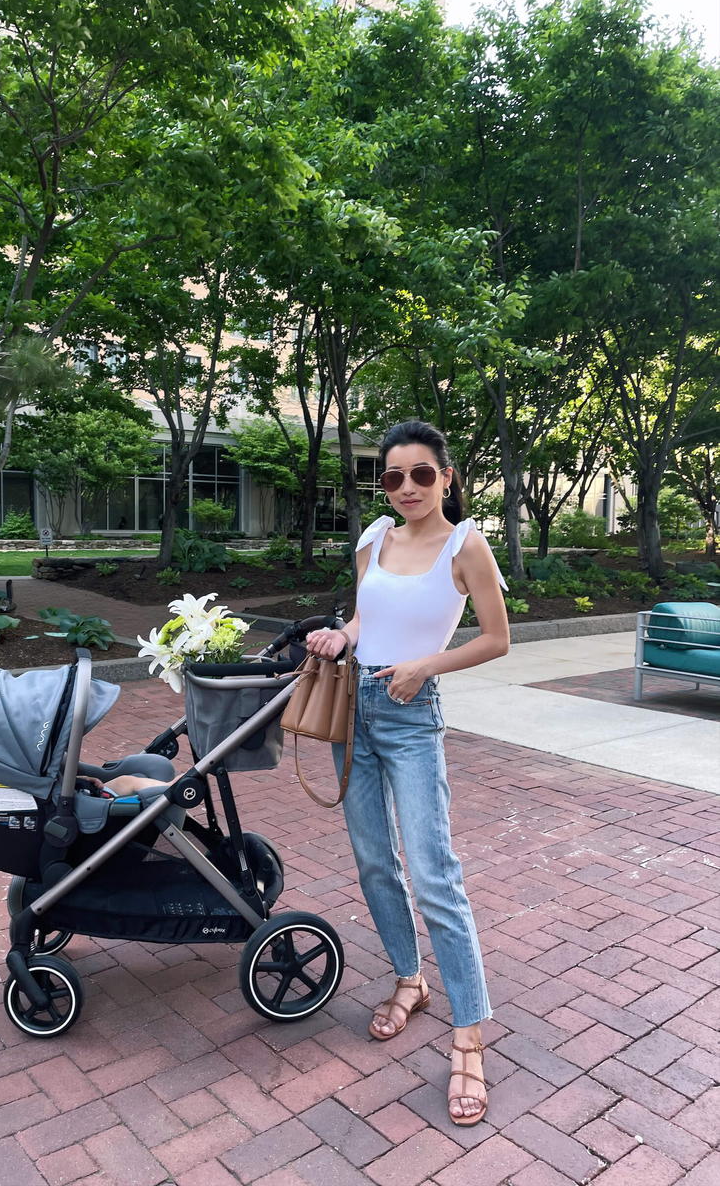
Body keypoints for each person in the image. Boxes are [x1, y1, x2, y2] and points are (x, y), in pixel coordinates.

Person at [305, 419, 509, 1127]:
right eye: (393, 477)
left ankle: (469, 1037)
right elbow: (366, 620)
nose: (408, 487)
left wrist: (424, 666)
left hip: (412, 714)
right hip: (352, 710)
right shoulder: (373, 540)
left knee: (434, 874)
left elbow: (497, 638)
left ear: (446, 477)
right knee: (373, 861)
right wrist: (339, 636)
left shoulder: (465, 544)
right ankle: (409, 978)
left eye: (422, 473)